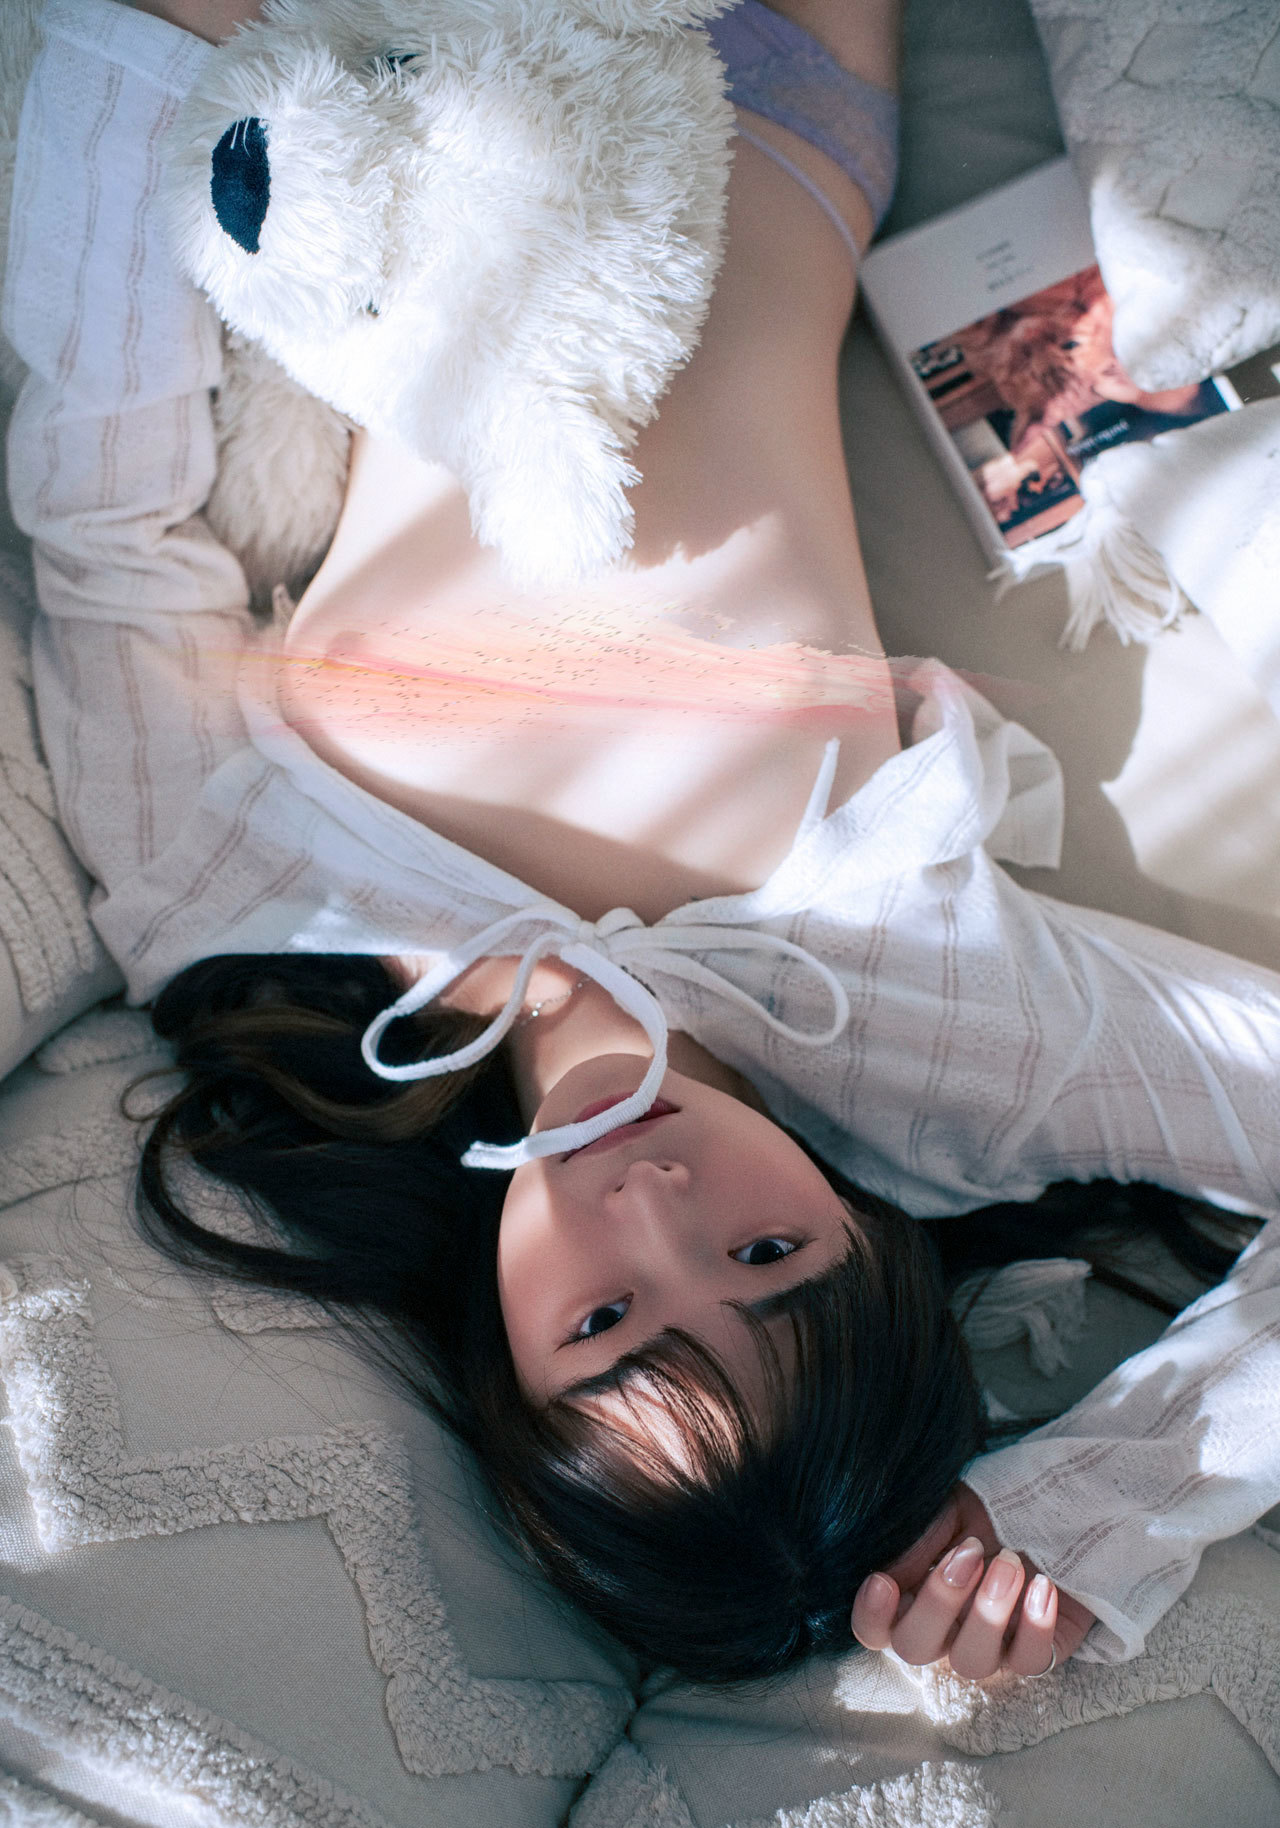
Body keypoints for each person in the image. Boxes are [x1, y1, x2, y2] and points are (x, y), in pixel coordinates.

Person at [9, 0, 1280, 1688]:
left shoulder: (245, 932)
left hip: (396, 68)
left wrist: (143, 55)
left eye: (605, 1321)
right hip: (770, 79)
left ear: (500, 1359)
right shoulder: (944, 1026)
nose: (655, 1201)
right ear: (867, 1245)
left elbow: (108, 532)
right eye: (768, 1256)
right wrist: (1092, 1506)